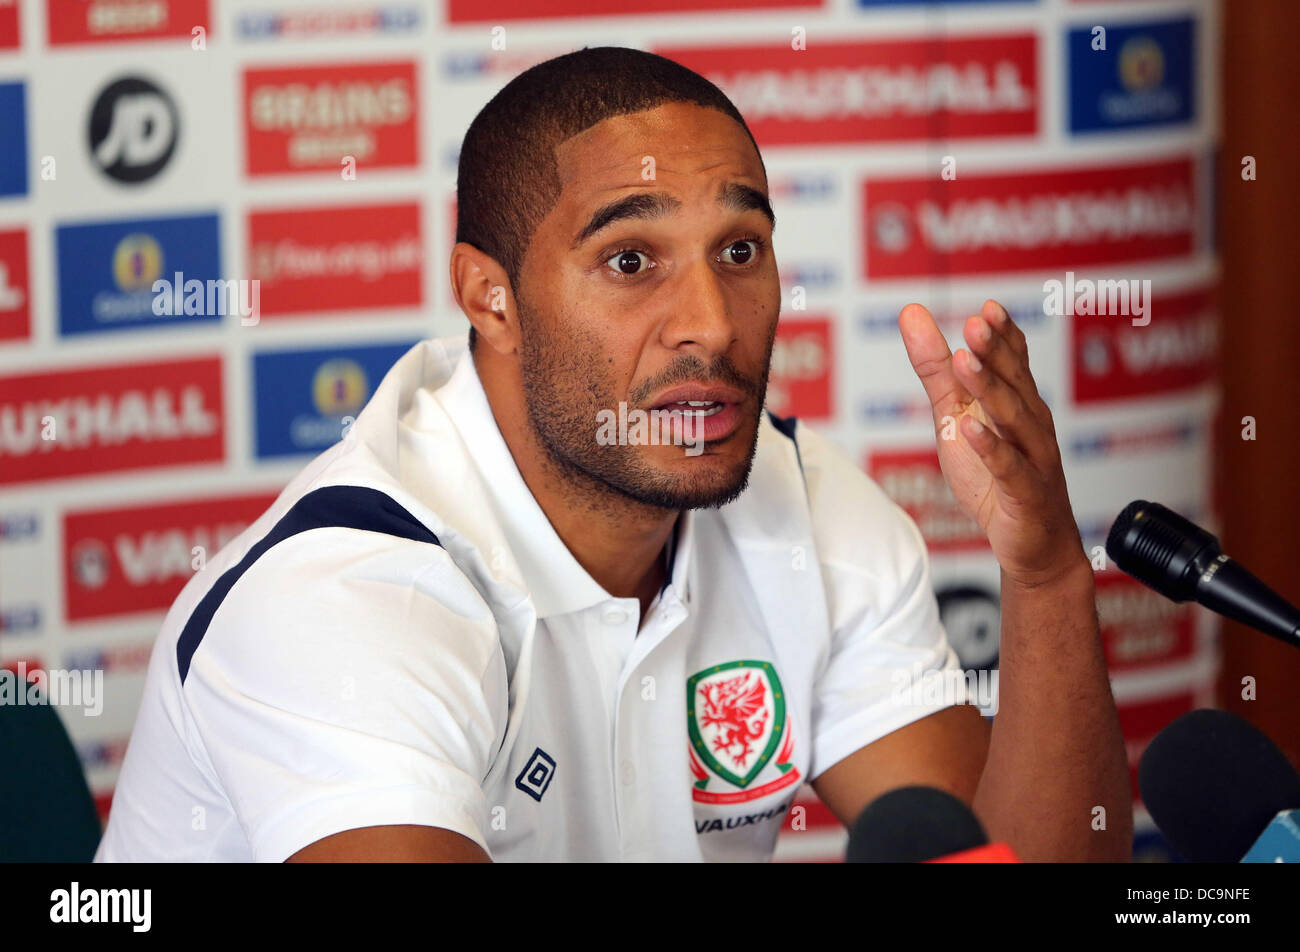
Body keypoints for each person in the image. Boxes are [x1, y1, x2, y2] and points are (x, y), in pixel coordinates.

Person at [95, 47, 1131, 863]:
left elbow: (1005, 859)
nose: (713, 327)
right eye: (630, 260)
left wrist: (1041, 575)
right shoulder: (349, 594)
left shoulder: (806, 505)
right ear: (487, 298)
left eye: (739, 251)